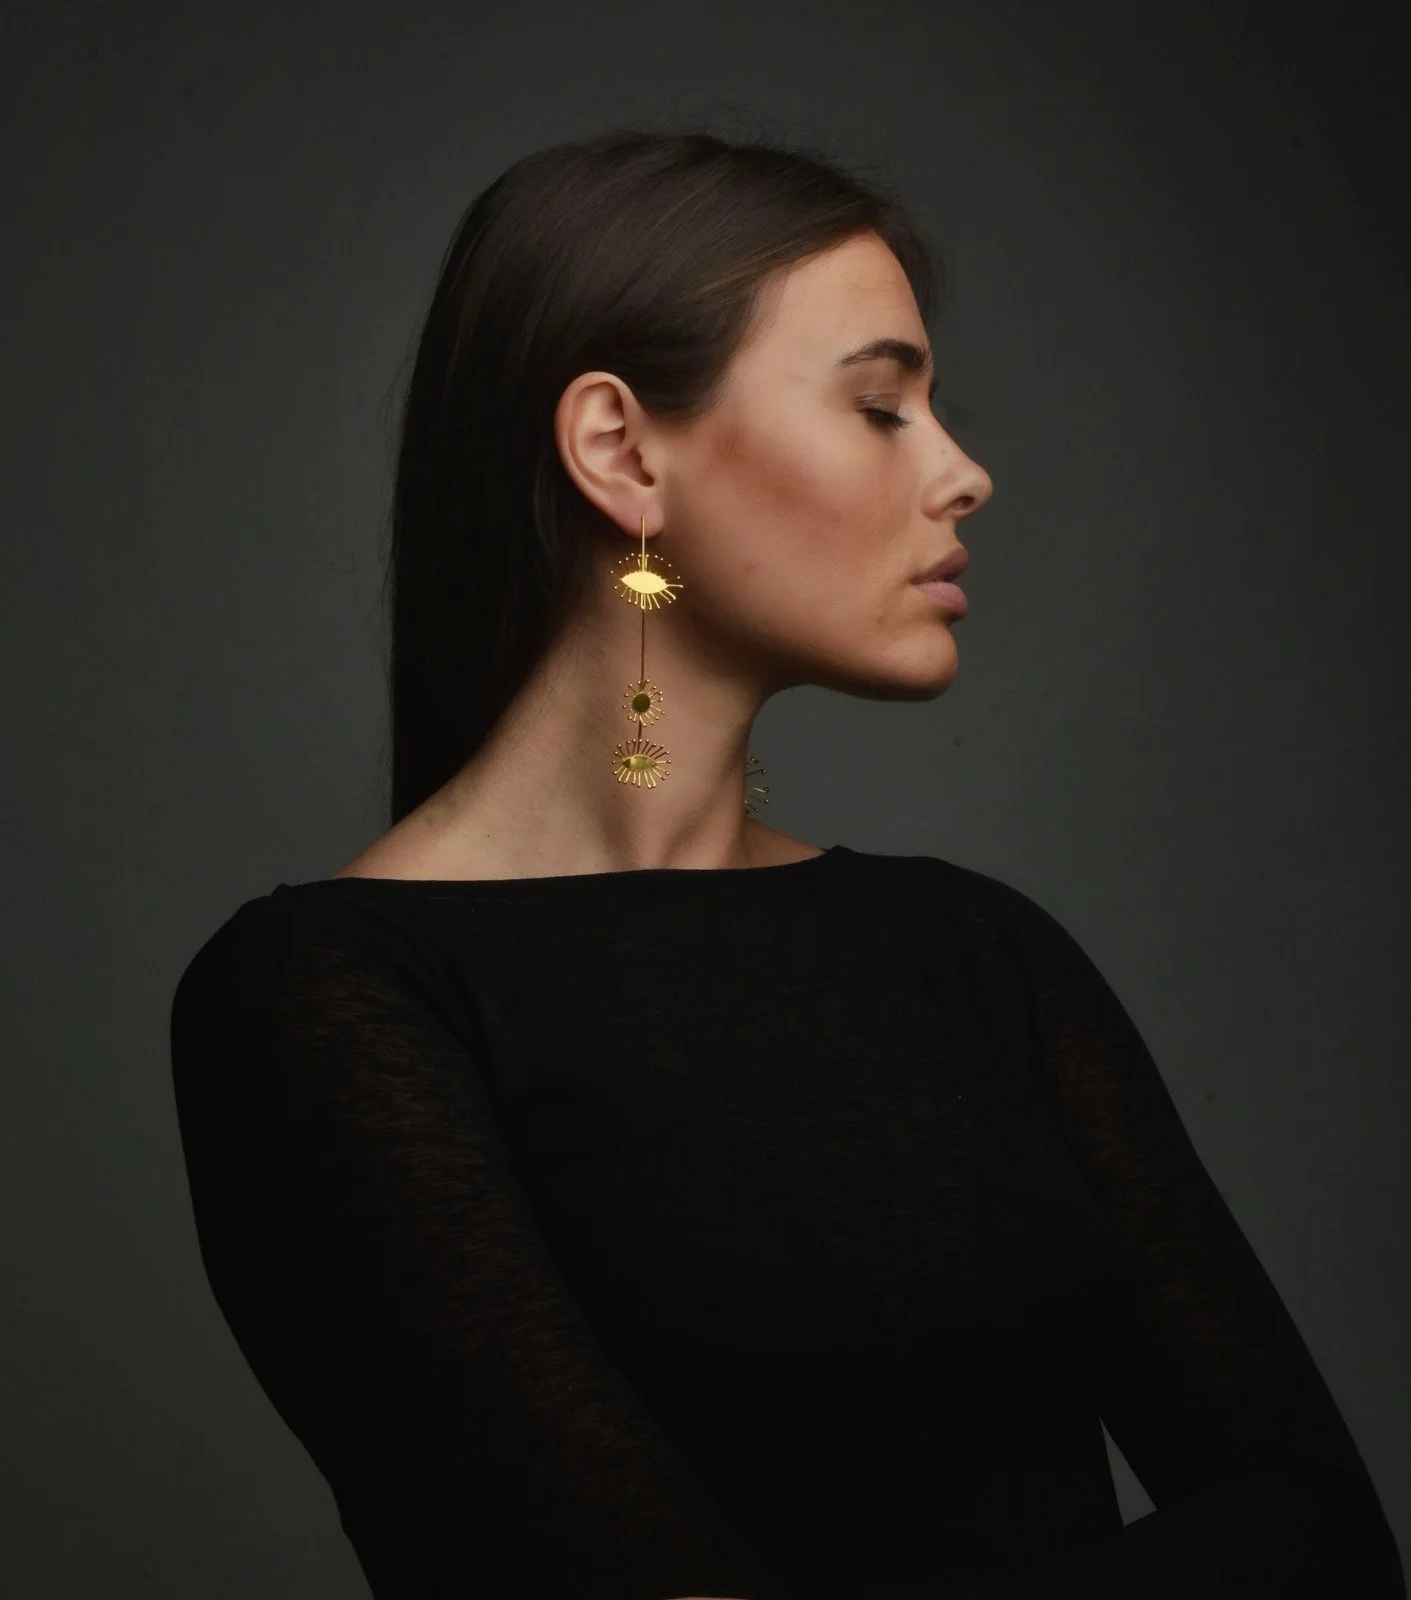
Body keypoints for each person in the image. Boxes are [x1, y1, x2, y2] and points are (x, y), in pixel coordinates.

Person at [168, 129, 1404, 1600]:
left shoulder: (974, 950)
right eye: (880, 407)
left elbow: (1323, 1536)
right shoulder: (329, 1000)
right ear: (621, 451)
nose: (964, 474)